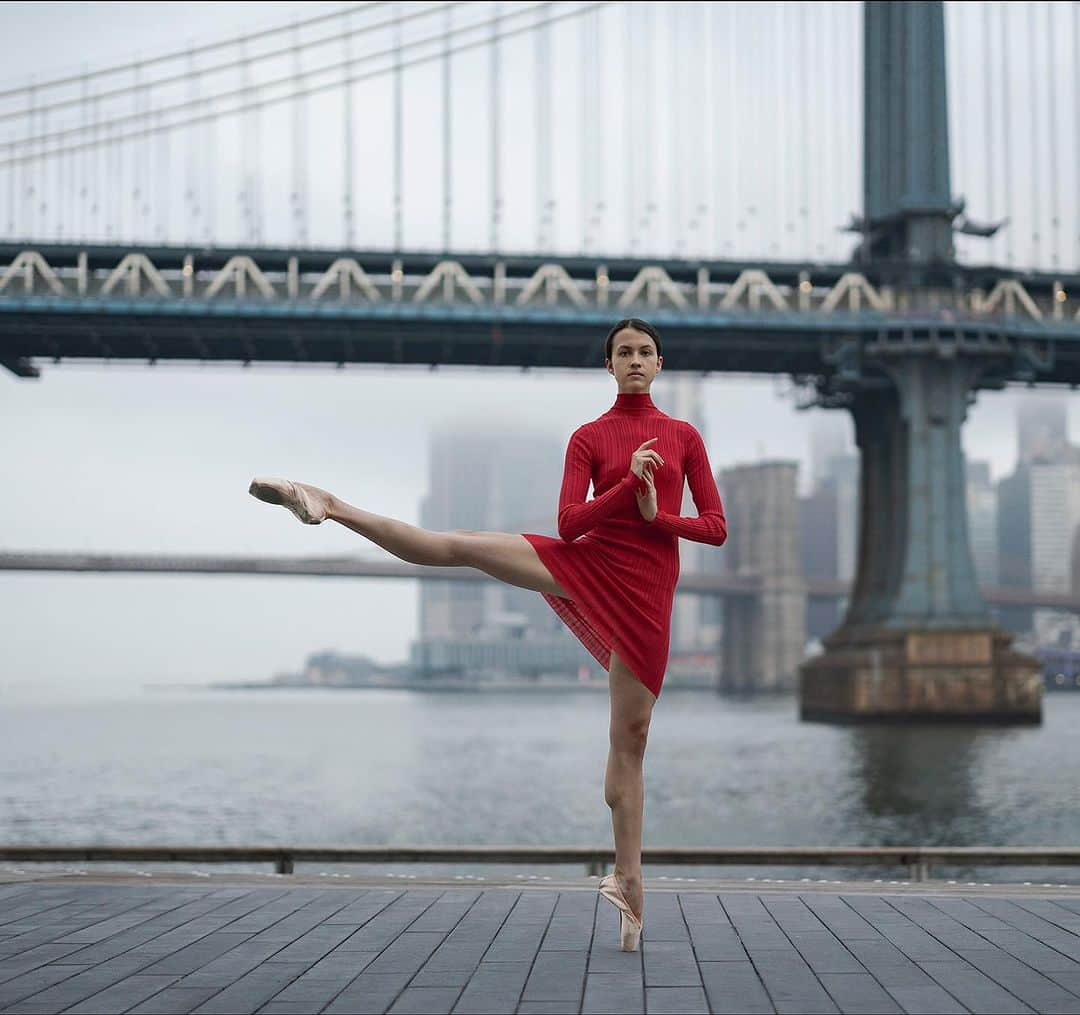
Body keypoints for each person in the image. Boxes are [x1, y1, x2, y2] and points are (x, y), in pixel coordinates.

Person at [248, 317, 727, 951]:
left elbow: (715, 527)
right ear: (608, 366)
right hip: (587, 562)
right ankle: (328, 502)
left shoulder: (683, 437)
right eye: (623, 353)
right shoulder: (589, 436)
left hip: (647, 590)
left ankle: (629, 883)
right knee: (459, 547)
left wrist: (654, 512)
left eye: (644, 352)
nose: (635, 361)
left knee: (630, 742)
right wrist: (622, 487)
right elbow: (570, 520)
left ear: (660, 364)